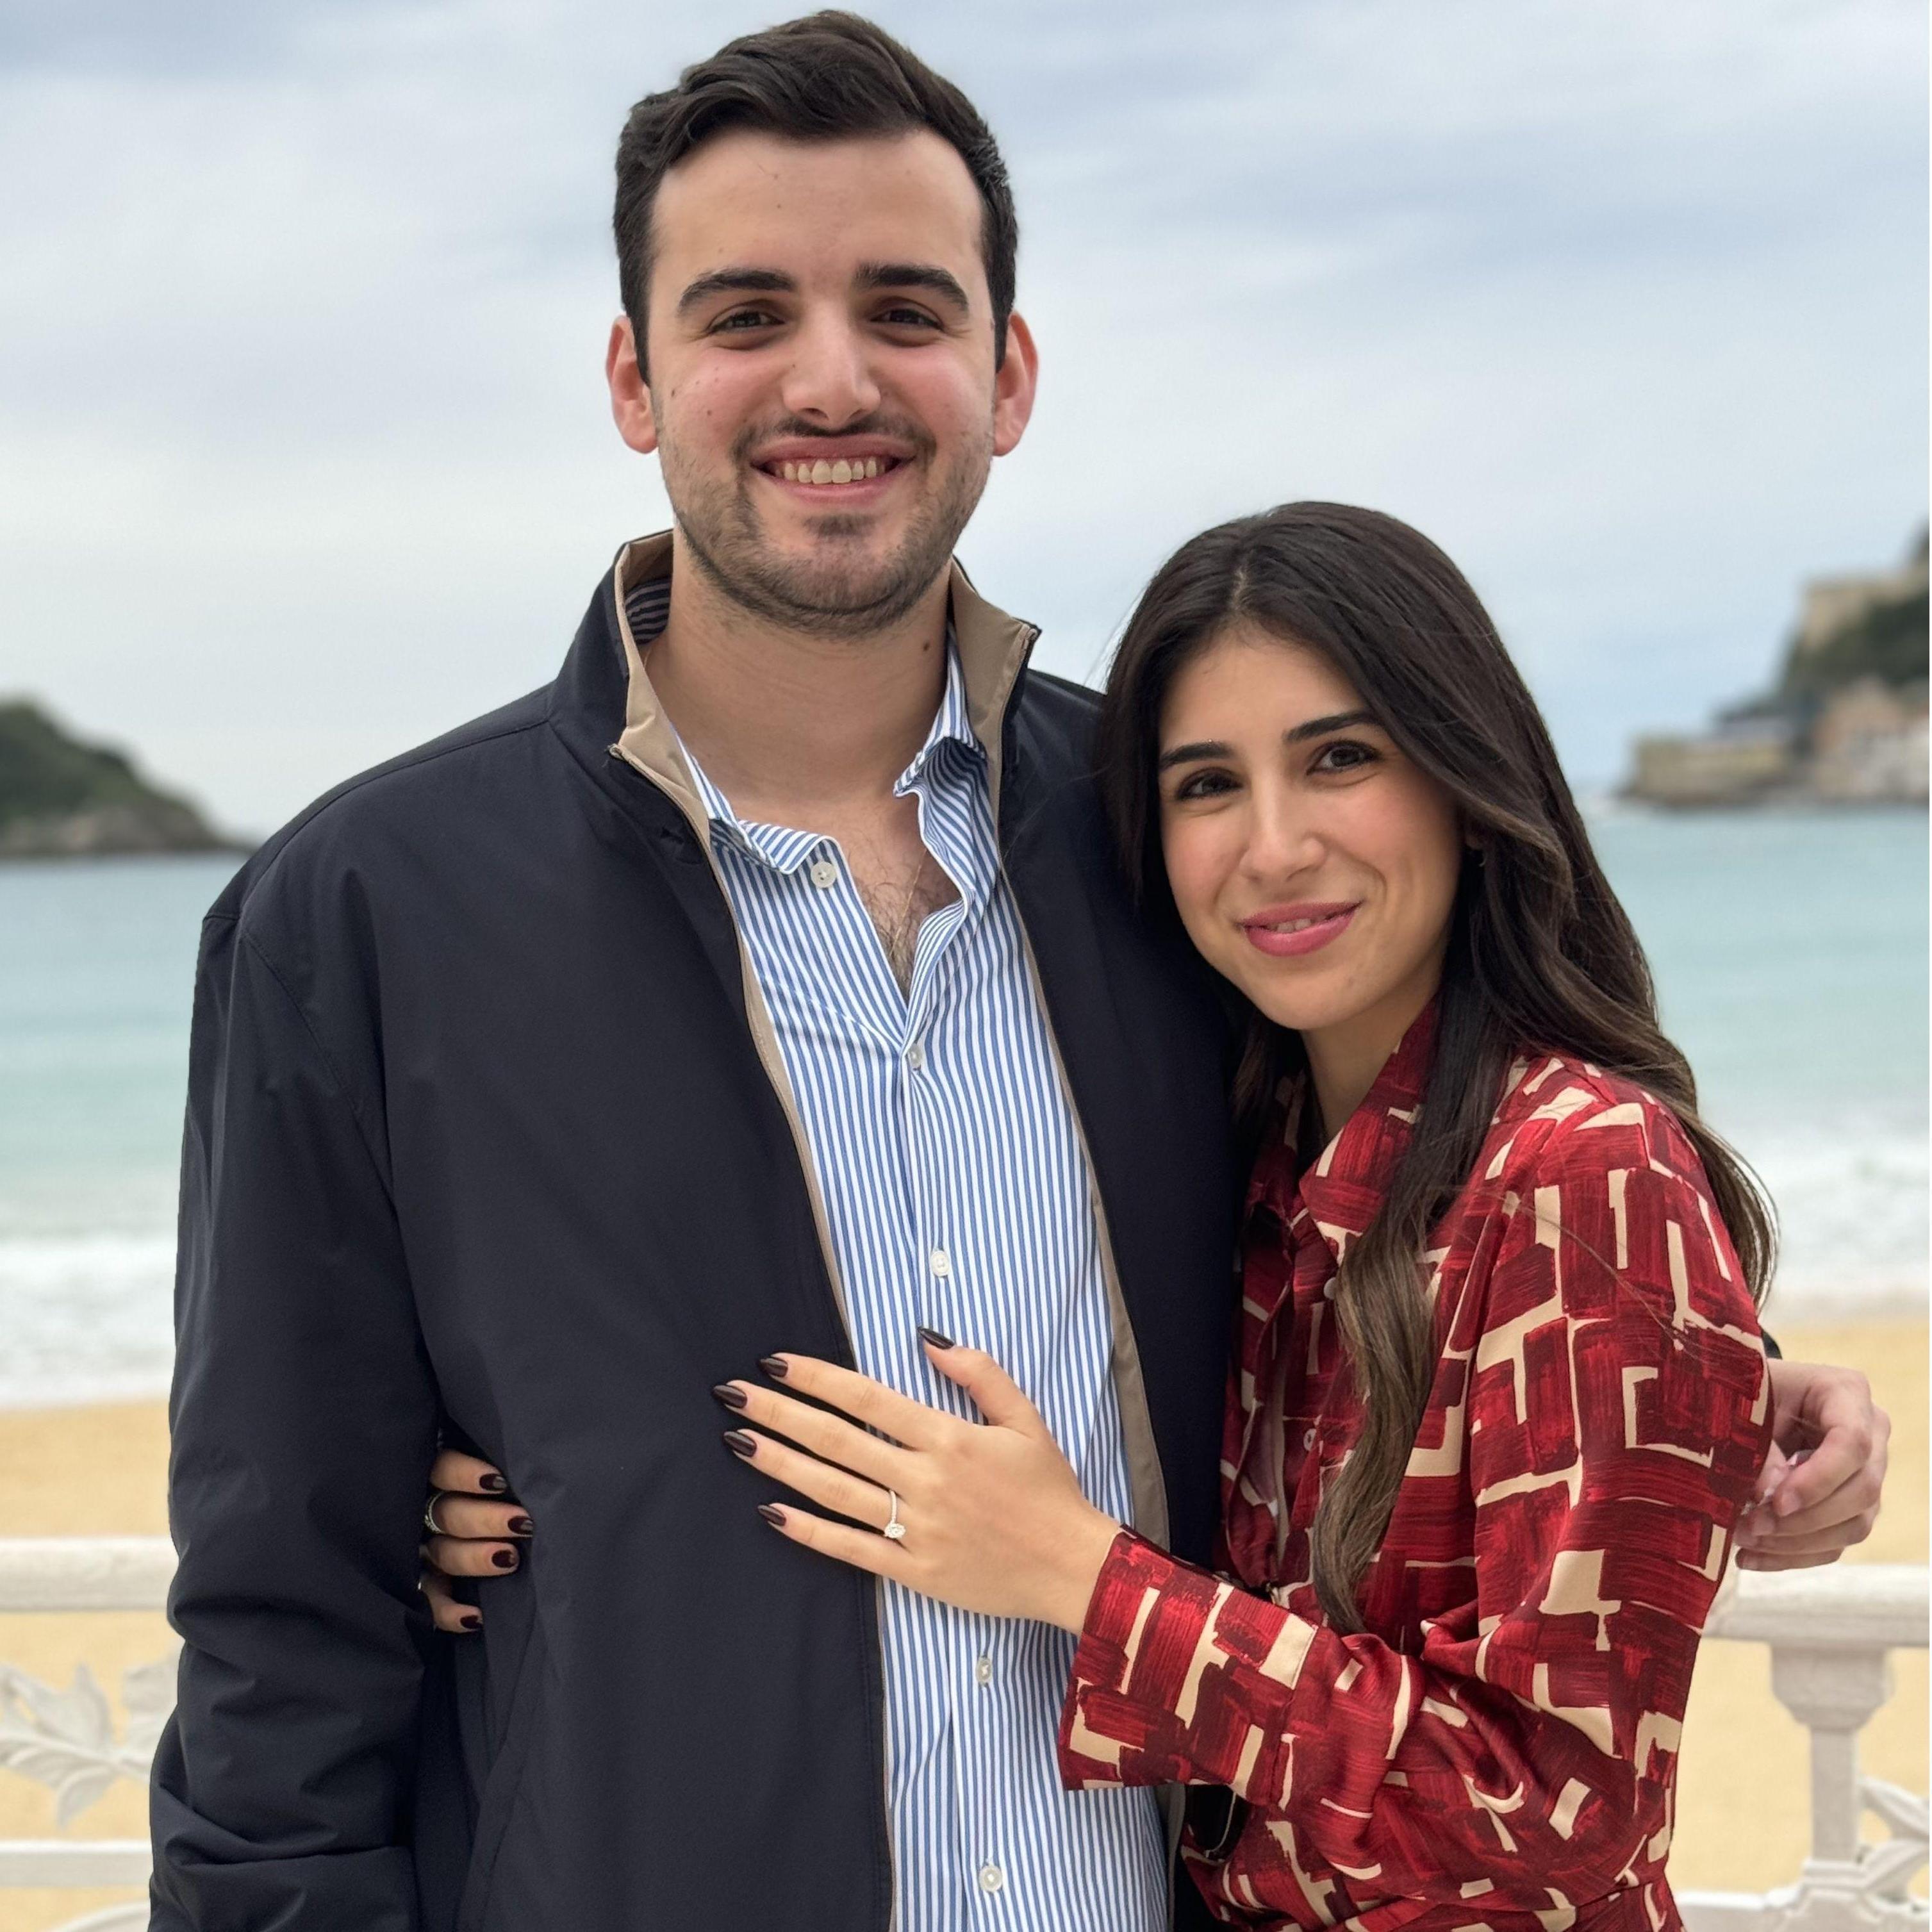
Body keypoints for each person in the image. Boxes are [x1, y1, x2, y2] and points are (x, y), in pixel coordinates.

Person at [154, 15, 1887, 1932]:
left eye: (904, 308)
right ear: (636, 379)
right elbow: (281, 1622)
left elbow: (1388, 1227)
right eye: (746, 314)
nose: (832, 378)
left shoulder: (1164, 843)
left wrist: (1712, 1386)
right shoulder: (366, 913)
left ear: (1008, 372)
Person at [647, 499, 1801, 1926]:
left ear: (1463, 777)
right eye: (1207, 784)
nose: (1273, 845)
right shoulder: (1242, 1162)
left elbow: (1559, 1819)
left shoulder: (1579, 1171)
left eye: (1338, 759)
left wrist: (1082, 1576)